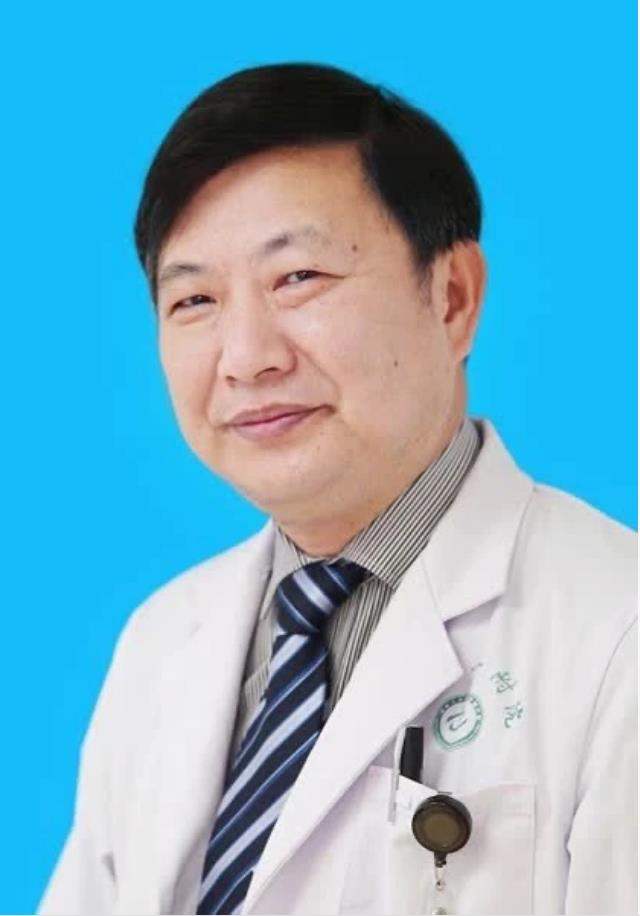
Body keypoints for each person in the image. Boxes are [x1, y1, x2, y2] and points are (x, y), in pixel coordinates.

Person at [37, 62, 636, 916]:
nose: (247, 357)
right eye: (195, 299)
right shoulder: (161, 641)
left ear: (453, 298)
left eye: (299, 279)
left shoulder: (615, 634)